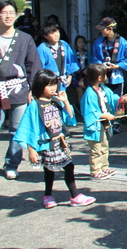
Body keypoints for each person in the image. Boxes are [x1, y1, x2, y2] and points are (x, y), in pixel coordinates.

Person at [13, 69, 96, 208]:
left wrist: (65, 101)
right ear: (40, 86)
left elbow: (69, 117)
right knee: (66, 167)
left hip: (59, 141)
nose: (53, 88)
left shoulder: (55, 102)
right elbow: (28, 128)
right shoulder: (34, 105)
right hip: (46, 143)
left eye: (54, 84)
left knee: (52, 169)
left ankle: (48, 196)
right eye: (49, 85)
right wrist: (31, 150)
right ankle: (74, 196)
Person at [0, 0, 41, 180]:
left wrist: (33, 89)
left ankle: (12, 163)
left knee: (17, 130)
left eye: (11, 12)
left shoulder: (25, 39)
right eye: (4, 12)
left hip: (18, 88)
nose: (8, 15)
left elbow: (33, 65)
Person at [80, 63, 127, 180]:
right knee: (97, 149)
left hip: (104, 124)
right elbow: (89, 112)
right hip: (95, 126)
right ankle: (95, 171)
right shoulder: (89, 93)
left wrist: (120, 100)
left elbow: (112, 98)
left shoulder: (103, 88)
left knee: (104, 147)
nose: (106, 76)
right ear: (99, 77)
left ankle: (104, 167)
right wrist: (104, 115)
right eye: (105, 74)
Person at [92, 17, 127, 134]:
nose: (101, 32)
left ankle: (117, 122)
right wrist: (101, 65)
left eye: (103, 29)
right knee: (103, 98)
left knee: (118, 99)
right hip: (102, 76)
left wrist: (118, 66)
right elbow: (95, 58)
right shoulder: (98, 43)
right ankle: (105, 120)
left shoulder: (122, 42)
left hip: (117, 77)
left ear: (110, 29)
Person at [37, 23, 80, 94]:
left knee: (63, 101)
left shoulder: (64, 44)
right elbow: (40, 67)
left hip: (63, 80)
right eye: (52, 33)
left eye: (57, 32)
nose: (56, 35)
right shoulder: (42, 48)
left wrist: (69, 76)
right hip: (49, 82)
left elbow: (70, 61)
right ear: (45, 36)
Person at [70, 35, 89, 105]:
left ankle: (85, 108)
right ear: (76, 43)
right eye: (79, 42)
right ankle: (81, 109)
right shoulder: (73, 52)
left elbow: (90, 63)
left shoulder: (87, 53)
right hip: (76, 74)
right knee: (80, 94)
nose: (82, 44)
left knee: (86, 93)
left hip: (86, 74)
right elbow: (71, 64)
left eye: (83, 42)